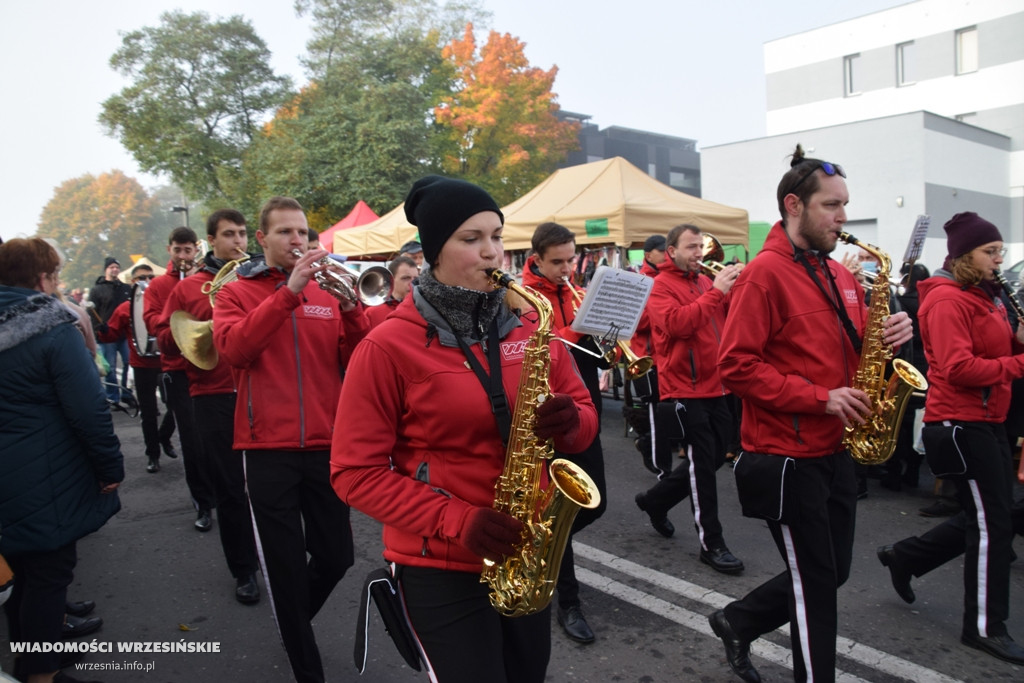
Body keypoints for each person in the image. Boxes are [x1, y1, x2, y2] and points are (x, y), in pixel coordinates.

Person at [331, 175, 598, 683]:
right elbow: (354, 474)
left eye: (496, 236)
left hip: (525, 553)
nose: (492, 253)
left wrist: (572, 421)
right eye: (470, 239)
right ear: (434, 251)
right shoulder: (386, 347)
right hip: (440, 564)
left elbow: (584, 424)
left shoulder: (531, 327)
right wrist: (459, 522)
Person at [708, 146, 913, 683]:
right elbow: (735, 366)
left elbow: (845, 354)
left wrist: (889, 338)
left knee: (833, 572)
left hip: (834, 449)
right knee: (817, 585)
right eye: (832, 206)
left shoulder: (840, 275)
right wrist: (820, 397)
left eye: (845, 205)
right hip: (786, 455)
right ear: (794, 205)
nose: (844, 218)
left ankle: (738, 619)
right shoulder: (763, 276)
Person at [213, 196, 369, 683]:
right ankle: (307, 667)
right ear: (261, 239)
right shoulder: (236, 292)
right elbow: (235, 351)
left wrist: (350, 312)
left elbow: (359, 359)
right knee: (282, 568)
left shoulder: (328, 290)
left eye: (302, 232)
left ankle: (293, 621)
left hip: (326, 443)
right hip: (266, 450)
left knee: (337, 556)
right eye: (284, 232)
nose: (296, 240)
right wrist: (287, 294)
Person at [876, 212, 1024, 665]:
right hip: (960, 423)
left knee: (994, 515)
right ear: (965, 256)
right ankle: (983, 626)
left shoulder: (986, 297)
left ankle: (905, 557)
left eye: (999, 251)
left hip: (986, 419)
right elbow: (958, 368)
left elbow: (998, 349)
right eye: (990, 252)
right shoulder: (946, 301)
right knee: (992, 523)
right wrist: (1020, 364)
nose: (998, 260)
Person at [0, 238, 124, 683]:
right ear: (43, 278)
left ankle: (27, 663)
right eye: (53, 275)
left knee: (16, 577)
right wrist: (109, 469)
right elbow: (89, 409)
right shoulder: (50, 325)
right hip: (46, 476)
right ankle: (40, 674)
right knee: (48, 577)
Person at [156, 209, 260, 605]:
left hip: (255, 390)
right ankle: (244, 569)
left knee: (266, 487)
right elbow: (165, 337)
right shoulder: (189, 289)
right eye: (229, 235)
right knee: (231, 489)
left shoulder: (257, 279)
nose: (238, 242)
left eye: (242, 234)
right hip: (211, 394)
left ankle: (274, 557)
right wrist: (207, 321)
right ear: (210, 241)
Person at [634, 223, 745, 574]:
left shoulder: (704, 281)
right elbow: (678, 324)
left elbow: (730, 322)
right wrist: (717, 293)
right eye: (692, 247)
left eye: (701, 246)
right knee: (703, 468)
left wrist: (739, 290)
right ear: (672, 252)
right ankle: (711, 543)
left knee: (710, 461)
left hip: (719, 384)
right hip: (685, 387)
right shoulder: (659, 286)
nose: (699, 253)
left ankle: (655, 500)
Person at [520, 221, 609, 644]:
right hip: (551, 416)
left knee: (596, 504)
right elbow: (544, 348)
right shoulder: (522, 298)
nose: (566, 269)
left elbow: (589, 356)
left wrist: (608, 339)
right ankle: (567, 602)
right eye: (557, 262)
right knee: (563, 509)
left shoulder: (573, 290)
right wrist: (583, 327)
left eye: (570, 259)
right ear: (536, 259)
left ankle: (545, 548)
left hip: (583, 409)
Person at [143, 227, 212, 530]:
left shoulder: (208, 281)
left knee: (217, 438)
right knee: (192, 440)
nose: (183, 257)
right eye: (177, 251)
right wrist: (178, 313)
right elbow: (152, 324)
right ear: (169, 249)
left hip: (211, 367)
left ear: (196, 249)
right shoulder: (157, 285)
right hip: (177, 369)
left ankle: (224, 492)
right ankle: (203, 503)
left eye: (188, 251)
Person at [96, 263, 177, 473]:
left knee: (177, 405)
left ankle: (164, 436)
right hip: (142, 365)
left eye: (151, 276)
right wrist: (103, 330)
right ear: (133, 282)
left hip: (166, 362)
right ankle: (153, 454)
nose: (147, 280)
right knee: (149, 413)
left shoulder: (164, 302)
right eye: (142, 277)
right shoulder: (126, 308)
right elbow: (111, 334)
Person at [88, 256, 132, 403]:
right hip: (107, 334)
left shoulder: (126, 288)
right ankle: (113, 396)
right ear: (106, 269)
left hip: (125, 333)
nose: (115, 269)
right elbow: (92, 312)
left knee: (129, 363)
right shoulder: (97, 290)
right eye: (111, 267)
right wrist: (97, 331)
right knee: (110, 368)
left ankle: (127, 393)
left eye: (117, 267)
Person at [365, 255, 418, 328]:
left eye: (416, 278)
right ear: (391, 280)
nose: (412, 283)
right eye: (406, 278)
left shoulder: (423, 310)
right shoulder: (372, 313)